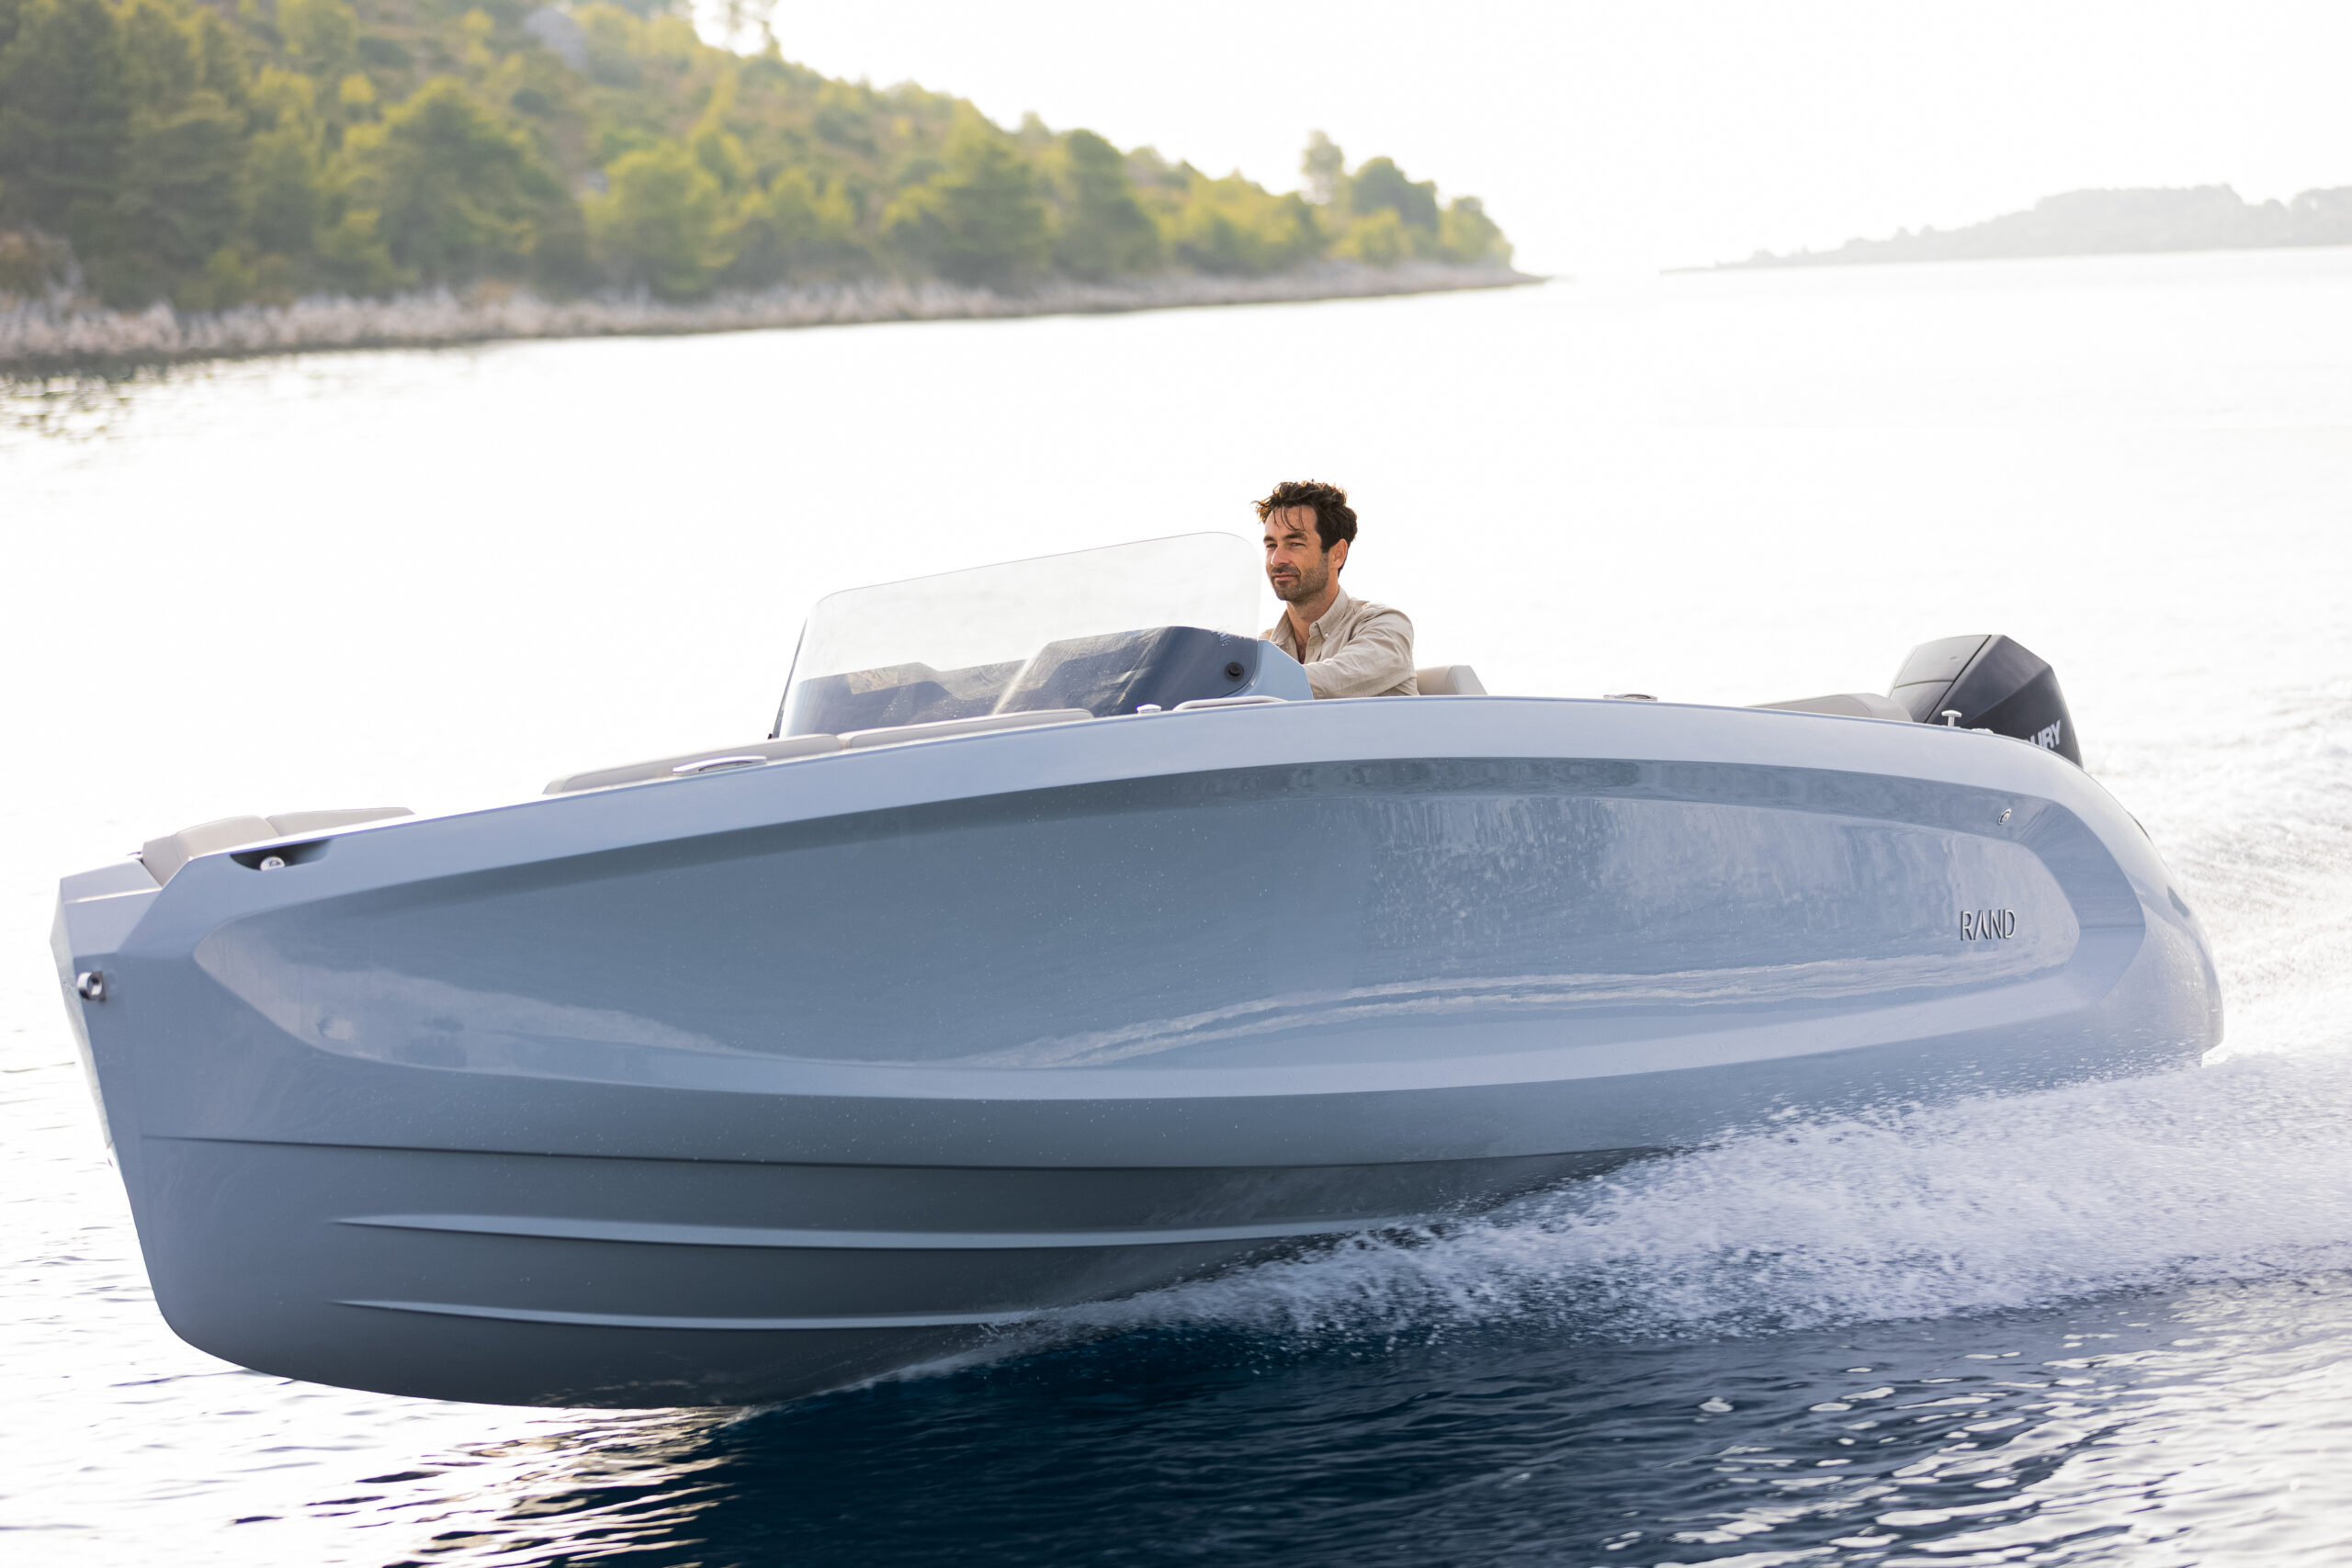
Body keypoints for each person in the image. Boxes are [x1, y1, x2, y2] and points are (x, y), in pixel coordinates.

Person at [1257, 479, 1416, 697]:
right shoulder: (1265, 647)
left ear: (1337, 554)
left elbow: (1332, 681)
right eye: (1271, 545)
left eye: (1295, 543)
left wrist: (1250, 683)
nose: (1277, 559)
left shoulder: (1385, 625)